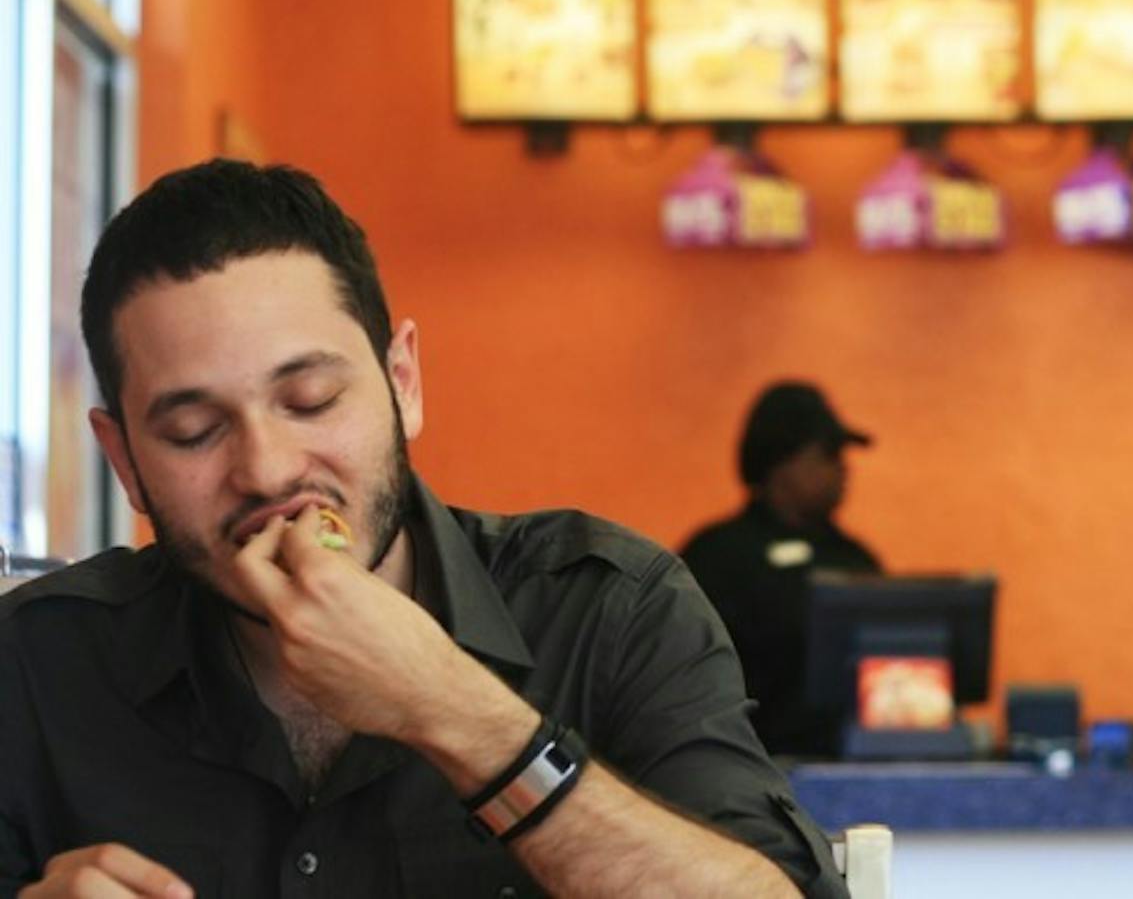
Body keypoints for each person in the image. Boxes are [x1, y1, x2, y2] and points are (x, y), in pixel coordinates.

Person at [0, 161, 845, 898]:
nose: (265, 469)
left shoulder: (612, 614)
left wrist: (453, 708)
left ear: (402, 382)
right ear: (123, 458)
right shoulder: (35, 668)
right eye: (194, 431)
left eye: (311, 400)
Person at [681, 383, 882, 758]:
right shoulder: (716, 557)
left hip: (847, 765)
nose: (843, 467)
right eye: (829, 453)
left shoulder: (856, 560)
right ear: (782, 463)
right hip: (743, 767)